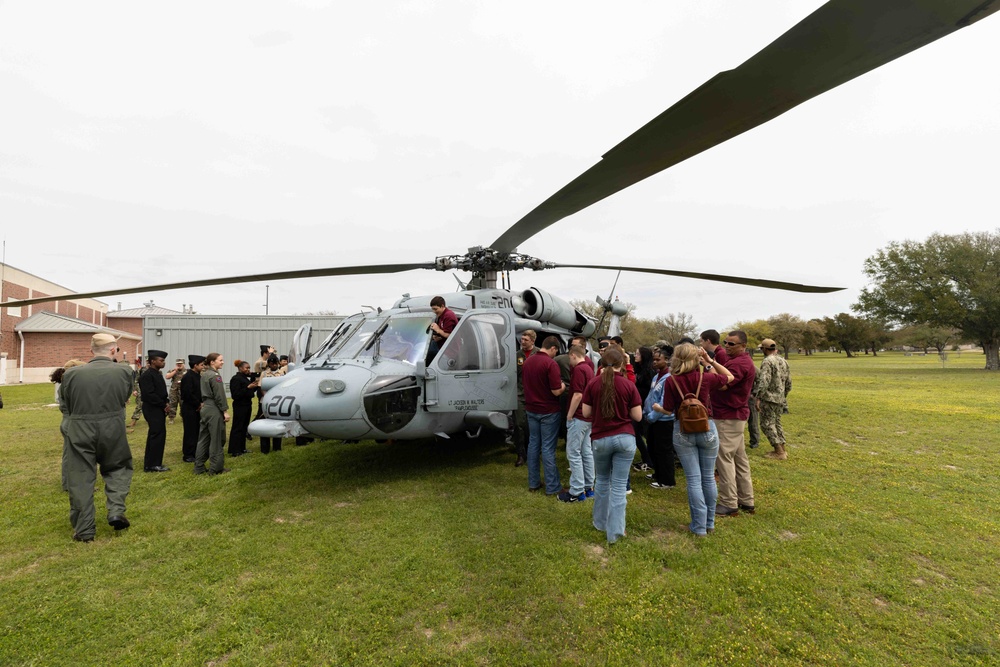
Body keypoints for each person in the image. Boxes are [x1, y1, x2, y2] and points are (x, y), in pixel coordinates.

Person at [59, 333, 135, 542]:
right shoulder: (124, 371)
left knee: (80, 477)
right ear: (113, 350)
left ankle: (84, 530)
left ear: (91, 350)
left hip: (80, 426)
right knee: (118, 467)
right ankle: (116, 510)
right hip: (112, 426)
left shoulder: (71, 374)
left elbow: (66, 403)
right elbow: (125, 397)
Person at [652, 343, 733, 536]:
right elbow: (730, 377)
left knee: (694, 479)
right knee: (708, 478)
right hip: (707, 428)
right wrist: (710, 361)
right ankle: (709, 523)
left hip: (683, 430)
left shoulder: (672, 381)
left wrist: (657, 408)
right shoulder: (706, 377)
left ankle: (698, 526)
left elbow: (669, 410)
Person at [582, 349, 642, 544]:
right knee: (618, 486)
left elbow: (586, 412)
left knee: (601, 481)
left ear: (601, 364)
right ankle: (616, 532)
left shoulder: (593, 383)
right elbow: (638, 416)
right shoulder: (628, 384)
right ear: (621, 365)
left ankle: (600, 523)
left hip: (600, 438)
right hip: (625, 438)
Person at [710, 330, 757, 517]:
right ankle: (746, 500)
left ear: (743, 346)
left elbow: (722, 385)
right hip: (733, 415)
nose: (727, 346)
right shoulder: (735, 361)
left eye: (732, 344)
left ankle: (729, 503)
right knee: (739, 459)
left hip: (728, 416)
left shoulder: (740, 364)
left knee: (724, 458)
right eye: (726, 343)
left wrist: (709, 367)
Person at [522, 335, 566, 495]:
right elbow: (555, 391)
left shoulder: (528, 362)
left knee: (533, 445)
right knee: (547, 448)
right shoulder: (550, 364)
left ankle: (533, 483)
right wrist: (563, 386)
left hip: (531, 409)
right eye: (556, 351)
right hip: (548, 411)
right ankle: (553, 486)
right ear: (553, 348)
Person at [561, 344, 595, 502]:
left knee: (573, 453)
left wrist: (569, 414)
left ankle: (576, 491)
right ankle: (589, 487)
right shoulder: (589, 368)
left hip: (579, 417)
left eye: (569, 357)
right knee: (586, 452)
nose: (570, 361)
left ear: (573, 355)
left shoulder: (579, 370)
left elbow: (577, 395)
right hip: (588, 417)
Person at [643, 346, 677, 489]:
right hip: (651, 418)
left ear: (667, 360)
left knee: (664, 450)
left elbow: (664, 401)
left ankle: (667, 480)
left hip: (663, 420)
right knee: (653, 448)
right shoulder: (657, 376)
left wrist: (652, 416)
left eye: (658, 359)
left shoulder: (669, 378)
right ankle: (658, 473)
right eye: (654, 360)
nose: (655, 362)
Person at [753, 338, 792, 460]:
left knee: (767, 424)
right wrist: (783, 395)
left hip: (769, 398)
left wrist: (758, 397)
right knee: (777, 423)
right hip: (780, 398)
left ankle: (778, 451)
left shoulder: (767, 361)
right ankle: (782, 449)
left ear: (764, 349)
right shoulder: (783, 361)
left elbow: (764, 381)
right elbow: (789, 382)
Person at [194, 352, 230, 475]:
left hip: (206, 408)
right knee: (217, 439)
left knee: (203, 438)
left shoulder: (204, 374)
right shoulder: (215, 376)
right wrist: (224, 411)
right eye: (220, 360)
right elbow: (219, 395)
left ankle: (198, 467)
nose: (223, 362)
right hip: (214, 409)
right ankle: (216, 468)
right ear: (212, 362)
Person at [138, 349, 170, 472]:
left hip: (159, 407)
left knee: (158, 434)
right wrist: (163, 404)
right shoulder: (147, 375)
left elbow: (161, 392)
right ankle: (152, 465)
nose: (164, 363)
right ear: (153, 361)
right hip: (152, 408)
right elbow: (149, 395)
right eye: (161, 360)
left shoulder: (157, 373)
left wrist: (166, 402)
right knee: (156, 434)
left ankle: (154, 462)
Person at [511, 329, 539, 467]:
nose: (522, 342)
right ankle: (521, 454)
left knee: (532, 426)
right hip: (520, 394)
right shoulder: (517, 355)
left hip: (536, 394)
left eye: (526, 340)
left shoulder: (539, 354)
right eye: (521, 339)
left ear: (533, 341)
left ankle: (533, 452)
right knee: (518, 424)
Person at [631, 346, 655, 472]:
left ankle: (649, 459)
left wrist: (634, 387)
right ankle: (647, 458)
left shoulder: (649, 371)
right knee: (637, 432)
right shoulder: (639, 369)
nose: (635, 356)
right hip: (638, 405)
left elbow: (649, 390)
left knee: (642, 433)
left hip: (645, 406)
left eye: (637, 354)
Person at [229, 360, 259, 457]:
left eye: (249, 368)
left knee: (244, 427)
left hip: (247, 404)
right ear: (240, 368)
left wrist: (254, 386)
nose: (248, 370)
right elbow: (236, 394)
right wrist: (248, 387)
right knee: (238, 427)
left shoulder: (245, 378)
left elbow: (249, 392)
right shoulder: (236, 379)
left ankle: (242, 448)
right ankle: (235, 450)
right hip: (240, 406)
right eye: (246, 368)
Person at [180, 354, 206, 463]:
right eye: (201, 365)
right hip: (190, 408)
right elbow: (187, 394)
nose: (203, 367)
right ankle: (188, 454)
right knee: (190, 431)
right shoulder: (188, 377)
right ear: (195, 365)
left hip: (197, 407)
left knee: (196, 431)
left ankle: (195, 451)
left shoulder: (198, 375)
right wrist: (198, 404)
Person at [258, 354, 285, 454]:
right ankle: (265, 448)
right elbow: (262, 387)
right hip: (266, 400)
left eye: (275, 364)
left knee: (277, 423)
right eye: (271, 364)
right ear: (268, 364)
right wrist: (268, 398)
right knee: (264, 424)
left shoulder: (282, 372)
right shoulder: (264, 374)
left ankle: (277, 447)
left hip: (278, 401)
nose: (273, 365)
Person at [426, 296, 458, 364]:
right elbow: (443, 332)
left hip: (449, 351)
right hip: (439, 346)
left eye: (436, 309)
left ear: (442, 306)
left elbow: (450, 335)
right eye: (433, 309)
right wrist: (436, 337)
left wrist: (438, 330)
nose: (434, 311)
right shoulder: (440, 316)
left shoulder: (448, 315)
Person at [165, 358, 186, 424]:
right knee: (172, 404)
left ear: (183, 364)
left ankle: (184, 417)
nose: (179, 365)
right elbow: (167, 377)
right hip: (174, 390)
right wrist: (175, 371)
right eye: (178, 364)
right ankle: (171, 418)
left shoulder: (187, 371)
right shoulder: (172, 370)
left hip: (183, 390)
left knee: (183, 404)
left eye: (180, 364)